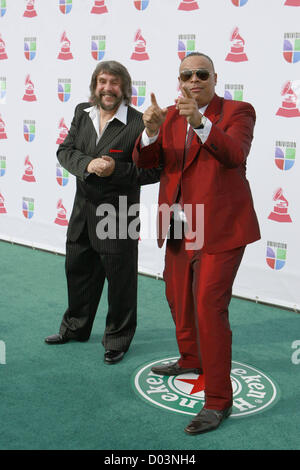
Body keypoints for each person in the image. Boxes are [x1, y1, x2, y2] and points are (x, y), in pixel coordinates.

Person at [133, 52, 260, 434]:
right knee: (178, 298)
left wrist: (200, 122)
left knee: (209, 306)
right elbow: (147, 163)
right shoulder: (169, 114)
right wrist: (151, 132)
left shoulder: (238, 111)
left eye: (201, 73)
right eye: (186, 74)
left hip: (221, 229)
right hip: (178, 225)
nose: (194, 80)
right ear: (179, 79)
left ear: (214, 77)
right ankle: (191, 357)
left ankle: (219, 400)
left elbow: (234, 154)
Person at [45, 60, 160, 365]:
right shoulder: (82, 112)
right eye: (102, 81)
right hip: (83, 211)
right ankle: (75, 328)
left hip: (119, 214)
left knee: (120, 281)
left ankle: (117, 339)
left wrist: (114, 169)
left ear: (125, 88)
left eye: (114, 82)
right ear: (94, 86)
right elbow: (65, 151)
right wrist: (86, 165)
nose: (107, 88)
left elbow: (151, 171)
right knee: (78, 271)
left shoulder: (138, 123)